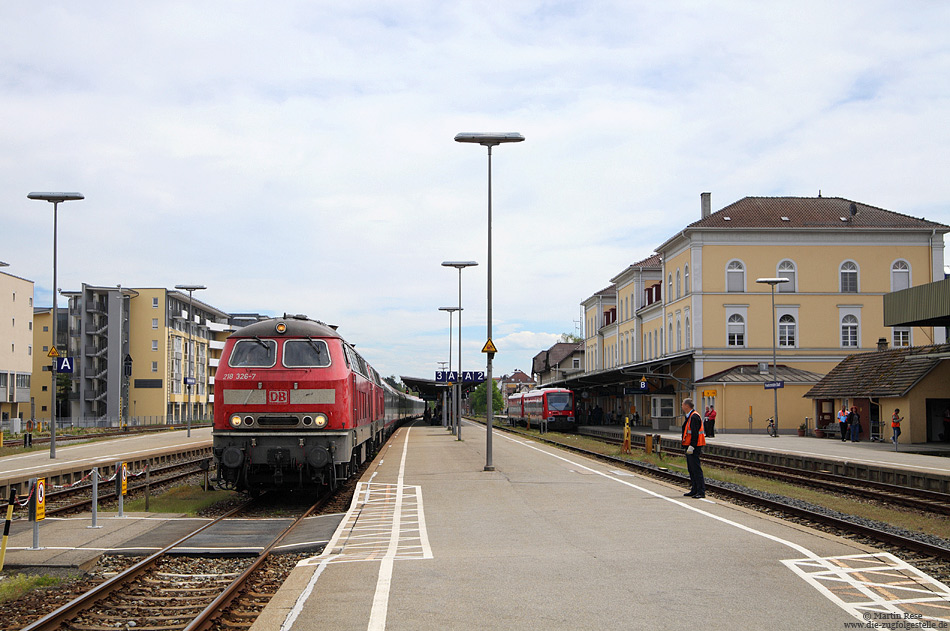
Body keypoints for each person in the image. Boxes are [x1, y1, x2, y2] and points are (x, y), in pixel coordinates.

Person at [681, 398, 706, 499]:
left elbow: (695, 433)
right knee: (691, 469)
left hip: (694, 446)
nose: (682, 406)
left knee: (696, 469)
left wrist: (692, 446)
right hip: (689, 446)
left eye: (683, 404)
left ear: (687, 406)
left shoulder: (694, 417)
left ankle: (701, 491)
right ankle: (694, 489)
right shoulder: (690, 416)